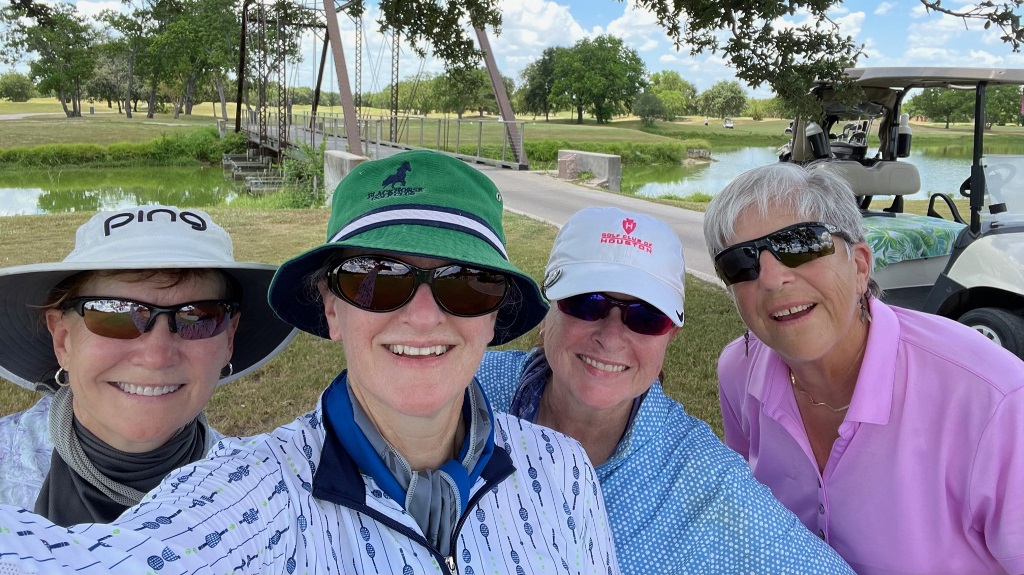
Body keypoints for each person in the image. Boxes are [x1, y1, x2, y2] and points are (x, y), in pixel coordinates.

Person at [0, 150, 619, 575]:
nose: (425, 317)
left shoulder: (560, 470)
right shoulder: (250, 492)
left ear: (494, 316)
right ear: (330, 309)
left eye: (466, 285)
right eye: (375, 278)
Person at [476, 206, 853, 574]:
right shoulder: (470, 392)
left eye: (646, 316)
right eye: (586, 303)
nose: (610, 337)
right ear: (550, 308)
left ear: (670, 334)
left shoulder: (704, 478)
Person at [703, 162, 1024, 574]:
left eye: (800, 244)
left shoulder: (994, 399)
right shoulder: (738, 371)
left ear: (858, 266)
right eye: (741, 263)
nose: (770, 279)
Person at [0, 205, 297, 525]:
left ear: (228, 340)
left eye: (197, 316)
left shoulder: (261, 498)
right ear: (63, 340)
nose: (156, 357)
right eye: (115, 314)